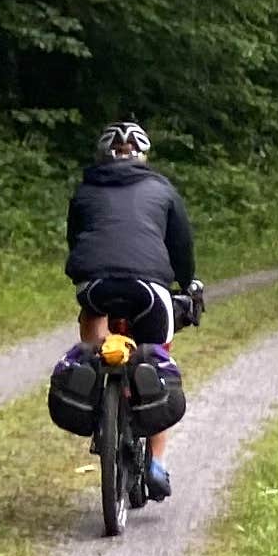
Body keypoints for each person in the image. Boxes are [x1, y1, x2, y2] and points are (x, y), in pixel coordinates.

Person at [66, 120, 200, 500]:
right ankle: (156, 465)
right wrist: (187, 281)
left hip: (96, 286)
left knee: (94, 344)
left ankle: (98, 405)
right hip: (150, 289)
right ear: (142, 156)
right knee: (156, 366)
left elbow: (76, 239)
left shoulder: (85, 189)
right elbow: (181, 245)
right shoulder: (162, 189)